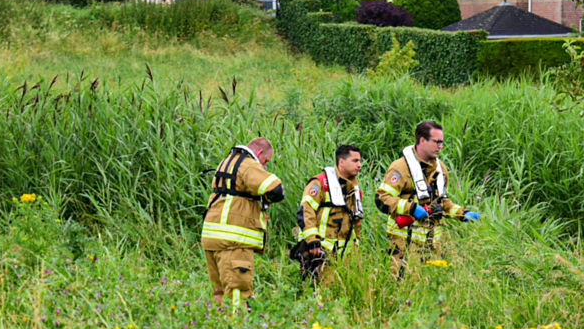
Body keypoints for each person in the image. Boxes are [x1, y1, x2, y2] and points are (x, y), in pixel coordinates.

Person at [376, 121, 480, 277]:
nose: (440, 146)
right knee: (404, 288)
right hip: (405, 242)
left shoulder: (441, 169)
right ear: (422, 141)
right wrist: (410, 208)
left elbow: (442, 201)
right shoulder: (400, 167)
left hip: (432, 244)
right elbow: (382, 199)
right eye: (437, 142)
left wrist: (462, 213)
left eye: (442, 142)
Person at [201, 138, 285, 311]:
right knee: (237, 294)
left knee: (219, 294)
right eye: (266, 162)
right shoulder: (248, 164)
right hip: (234, 242)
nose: (265, 166)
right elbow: (276, 189)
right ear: (259, 154)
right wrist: (266, 198)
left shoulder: (226, 163)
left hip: (213, 238)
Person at [292, 144, 365, 285]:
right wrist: (312, 241)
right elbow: (305, 212)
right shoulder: (320, 183)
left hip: (348, 256)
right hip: (322, 252)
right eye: (355, 161)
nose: (359, 165)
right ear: (342, 162)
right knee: (324, 294)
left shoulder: (355, 189)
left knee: (348, 293)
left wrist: (357, 246)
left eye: (360, 161)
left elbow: (356, 222)